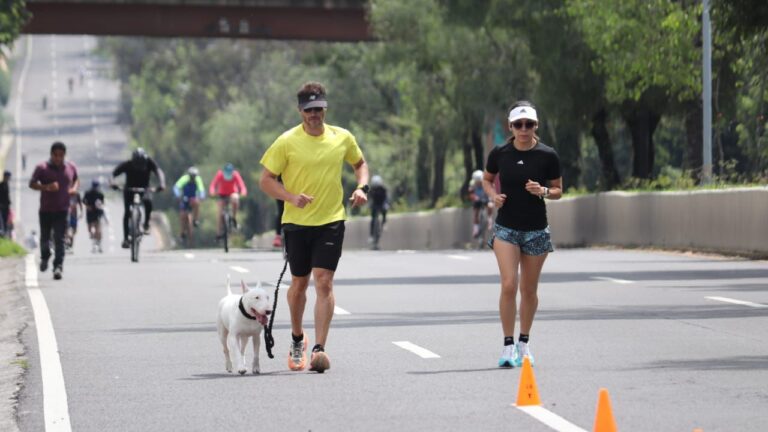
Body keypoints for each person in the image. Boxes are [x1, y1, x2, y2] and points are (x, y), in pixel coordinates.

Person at [259, 81, 369, 373]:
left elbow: (360, 164)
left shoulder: (341, 137)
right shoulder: (286, 142)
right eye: (308, 110)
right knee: (298, 284)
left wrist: (362, 187)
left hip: (331, 219)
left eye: (318, 109)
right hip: (296, 222)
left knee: (324, 281)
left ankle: (320, 348)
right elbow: (266, 180)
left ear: (325, 108)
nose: (314, 115)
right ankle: (298, 338)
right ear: (300, 111)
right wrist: (291, 197)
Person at [483, 101, 562, 368]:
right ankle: (507, 346)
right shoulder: (500, 153)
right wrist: (494, 196)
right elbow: (486, 178)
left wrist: (542, 191)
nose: (524, 129)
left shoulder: (547, 155)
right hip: (507, 228)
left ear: (536, 125)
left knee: (529, 289)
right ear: (511, 127)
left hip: (536, 229)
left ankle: (524, 343)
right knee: (509, 284)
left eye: (529, 124)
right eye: (518, 124)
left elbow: (558, 190)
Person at [29, 141, 80, 280]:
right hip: (45, 209)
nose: (58, 158)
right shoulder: (42, 168)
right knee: (44, 239)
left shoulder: (70, 167)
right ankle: (45, 256)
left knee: (60, 239)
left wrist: (74, 189)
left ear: (64, 155)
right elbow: (32, 184)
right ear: (51, 154)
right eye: (55, 155)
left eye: (61, 155)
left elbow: (76, 179)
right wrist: (46, 187)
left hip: (62, 210)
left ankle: (58, 267)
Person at [112, 148, 166, 249]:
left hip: (144, 189)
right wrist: (113, 183)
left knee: (148, 202)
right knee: (127, 212)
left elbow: (159, 172)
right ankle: (125, 239)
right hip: (129, 189)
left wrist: (162, 184)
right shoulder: (128, 164)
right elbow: (114, 173)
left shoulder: (149, 162)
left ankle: (146, 224)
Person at [209, 162, 247, 238]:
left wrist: (243, 192)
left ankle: (234, 218)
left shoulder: (235, 174)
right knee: (220, 212)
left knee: (235, 199)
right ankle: (219, 231)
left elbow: (241, 185)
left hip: (232, 193)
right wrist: (212, 192)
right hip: (222, 194)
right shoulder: (220, 174)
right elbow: (213, 184)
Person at [173, 166, 206, 240]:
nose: (193, 178)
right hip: (185, 198)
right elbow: (176, 187)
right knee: (182, 215)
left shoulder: (198, 180)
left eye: (194, 177)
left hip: (193, 198)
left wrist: (202, 196)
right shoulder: (184, 179)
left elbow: (201, 189)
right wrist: (177, 195)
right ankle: (182, 232)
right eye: (192, 176)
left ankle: (195, 220)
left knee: (197, 203)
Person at [83, 179, 106, 253]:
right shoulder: (88, 193)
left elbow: (102, 203)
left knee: (98, 229)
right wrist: (87, 206)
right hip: (90, 213)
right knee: (90, 230)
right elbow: (83, 200)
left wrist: (99, 206)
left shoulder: (100, 194)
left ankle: (98, 244)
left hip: (97, 213)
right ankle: (94, 242)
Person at [469, 169, 492, 238]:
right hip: (477, 199)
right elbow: (471, 193)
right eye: (477, 181)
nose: (478, 183)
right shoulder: (472, 183)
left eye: (479, 181)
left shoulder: (485, 182)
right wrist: (474, 197)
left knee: (490, 205)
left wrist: (490, 198)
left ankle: (489, 218)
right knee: (476, 212)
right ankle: (476, 228)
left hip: (486, 198)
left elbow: (490, 189)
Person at [368, 174, 388, 247]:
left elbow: (386, 198)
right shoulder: (371, 190)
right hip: (375, 205)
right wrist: (369, 204)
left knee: (384, 211)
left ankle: (384, 223)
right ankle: (371, 235)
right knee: (373, 219)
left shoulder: (383, 189)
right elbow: (370, 198)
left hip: (381, 204)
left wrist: (386, 204)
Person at [0, 171, 11, 236]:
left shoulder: (6, 185)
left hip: (6, 205)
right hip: (2, 206)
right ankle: (2, 232)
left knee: (5, 219)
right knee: (2, 220)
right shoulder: (1, 185)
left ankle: (4, 232)